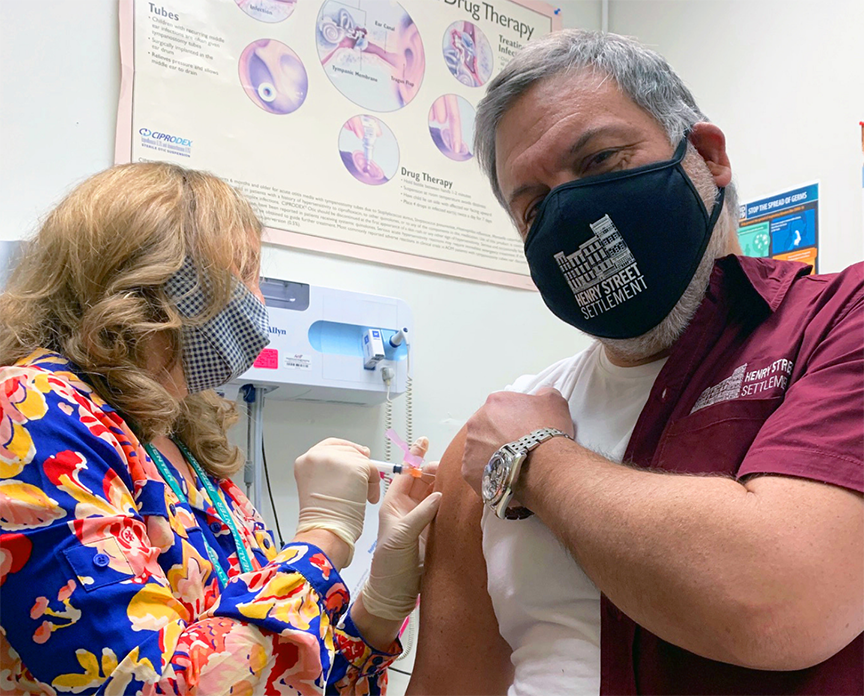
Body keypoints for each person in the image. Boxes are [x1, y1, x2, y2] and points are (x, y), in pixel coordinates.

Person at [409, 29, 864, 696]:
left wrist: (534, 461)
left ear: (706, 157)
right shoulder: (488, 436)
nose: (568, 214)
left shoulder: (836, 322)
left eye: (598, 161)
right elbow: (450, 684)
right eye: (534, 207)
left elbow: (780, 599)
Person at [0, 163, 440, 695]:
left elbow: (281, 677)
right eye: (246, 269)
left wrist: (379, 608)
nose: (257, 298)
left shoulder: (188, 455)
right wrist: (321, 539)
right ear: (162, 274)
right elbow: (155, 686)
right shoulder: (30, 411)